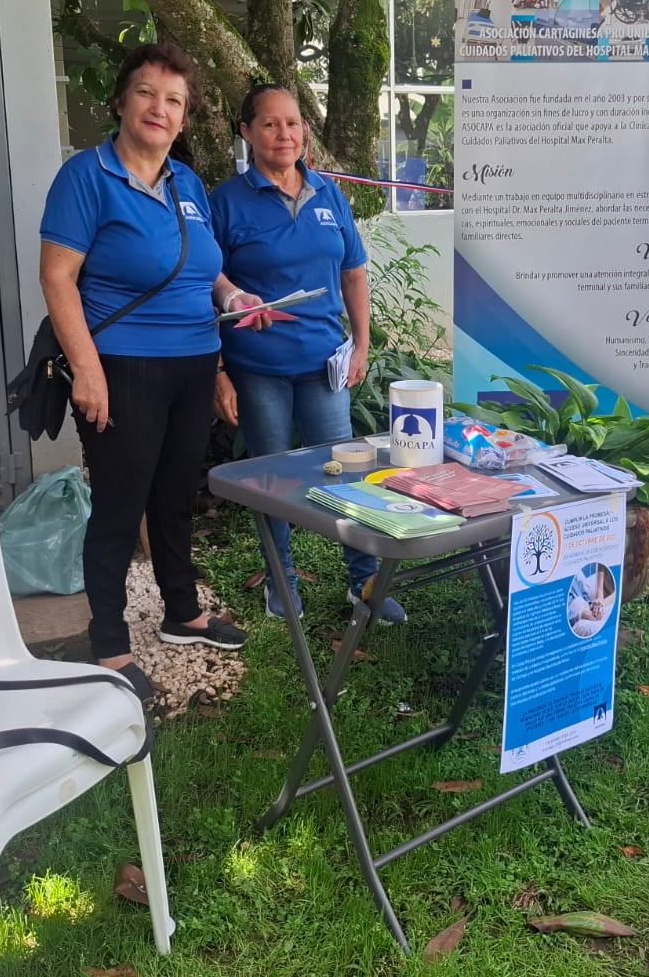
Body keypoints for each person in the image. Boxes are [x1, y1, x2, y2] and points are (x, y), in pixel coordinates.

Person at [39, 43, 259, 702]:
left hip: (192, 364)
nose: (159, 109)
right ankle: (107, 641)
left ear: (185, 117)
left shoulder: (187, 184)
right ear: (120, 102)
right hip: (123, 367)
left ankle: (183, 610)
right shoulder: (85, 177)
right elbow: (58, 277)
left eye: (173, 100)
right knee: (119, 505)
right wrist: (88, 371)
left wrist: (234, 299)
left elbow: (204, 270)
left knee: (173, 497)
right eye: (146, 94)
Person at [209, 84, 403, 623]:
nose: (284, 134)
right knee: (274, 482)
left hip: (325, 364)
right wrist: (220, 370)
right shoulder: (225, 201)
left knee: (343, 473)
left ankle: (363, 584)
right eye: (270, 124)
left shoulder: (328, 193)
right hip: (258, 367)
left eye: (292, 123)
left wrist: (361, 341)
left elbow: (354, 271)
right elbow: (205, 275)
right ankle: (282, 582)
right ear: (246, 132)